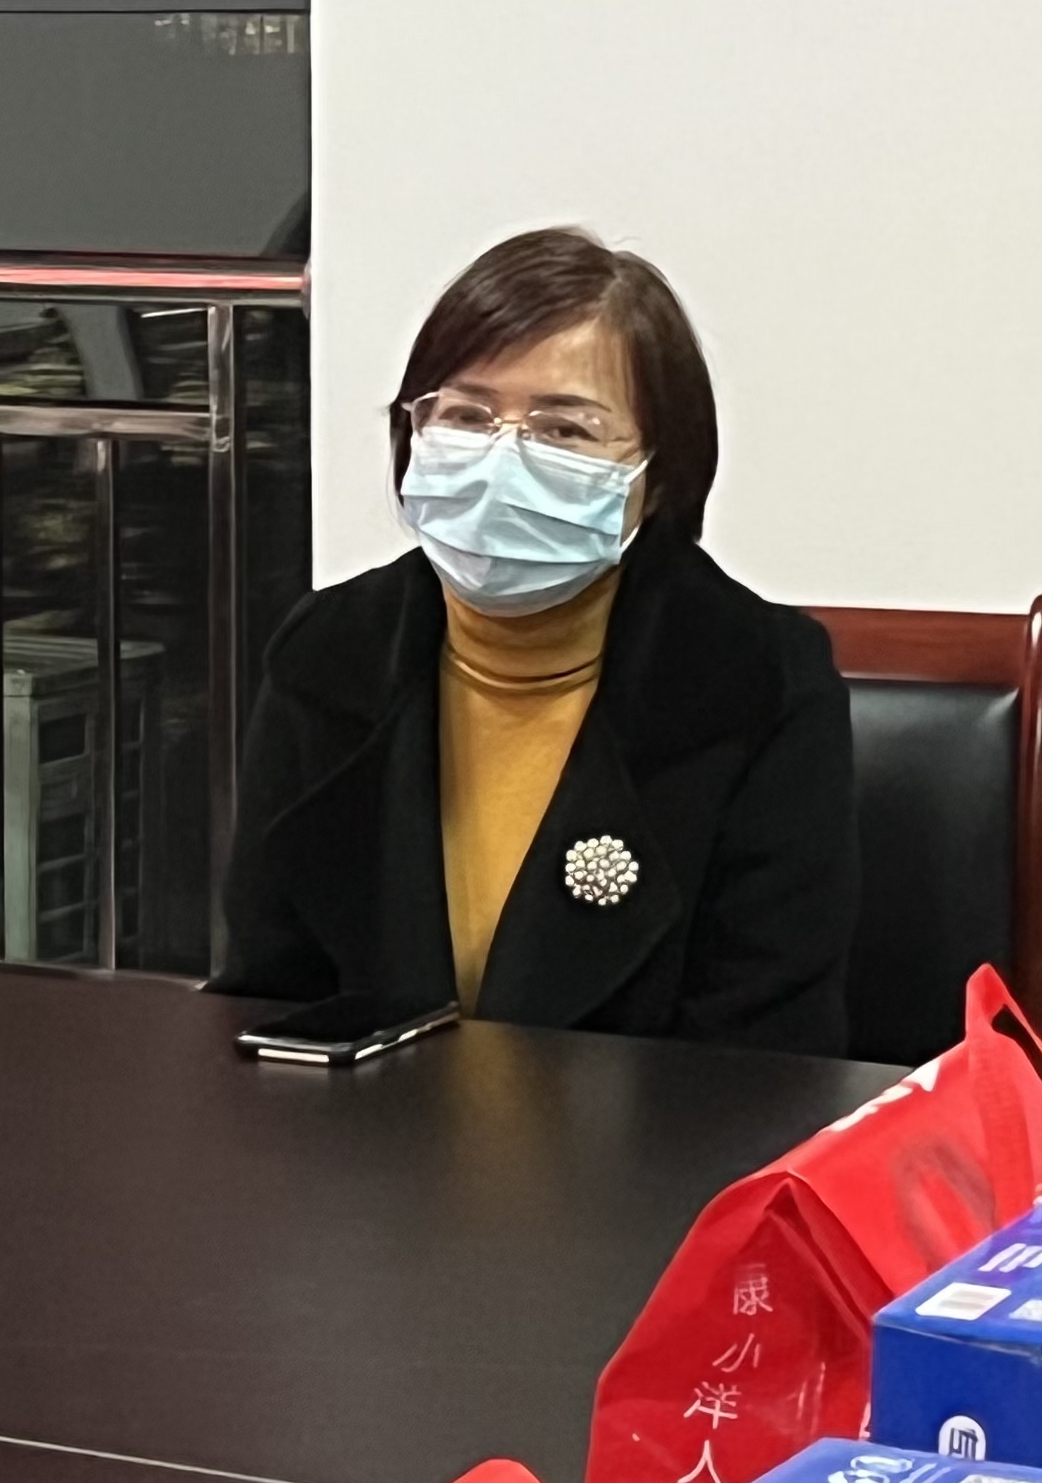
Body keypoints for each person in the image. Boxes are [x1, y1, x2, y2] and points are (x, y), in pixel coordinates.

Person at [212, 227, 853, 1050]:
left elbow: (763, 1055)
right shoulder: (328, 654)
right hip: (365, 1128)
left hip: (658, 1132)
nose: (501, 460)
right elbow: (265, 1006)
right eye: (466, 415)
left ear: (657, 478)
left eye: (564, 430)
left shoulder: (757, 682)